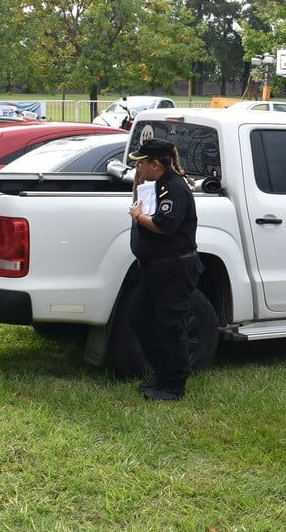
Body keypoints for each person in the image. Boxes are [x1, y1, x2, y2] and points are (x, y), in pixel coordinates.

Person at [126, 137, 200, 401]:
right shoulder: (155, 185)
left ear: (155, 164)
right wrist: (138, 187)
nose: (138, 168)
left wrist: (138, 217)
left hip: (174, 269)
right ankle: (162, 373)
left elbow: (164, 225)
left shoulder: (173, 188)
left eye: (142, 163)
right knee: (140, 316)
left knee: (172, 326)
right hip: (154, 268)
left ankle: (174, 385)